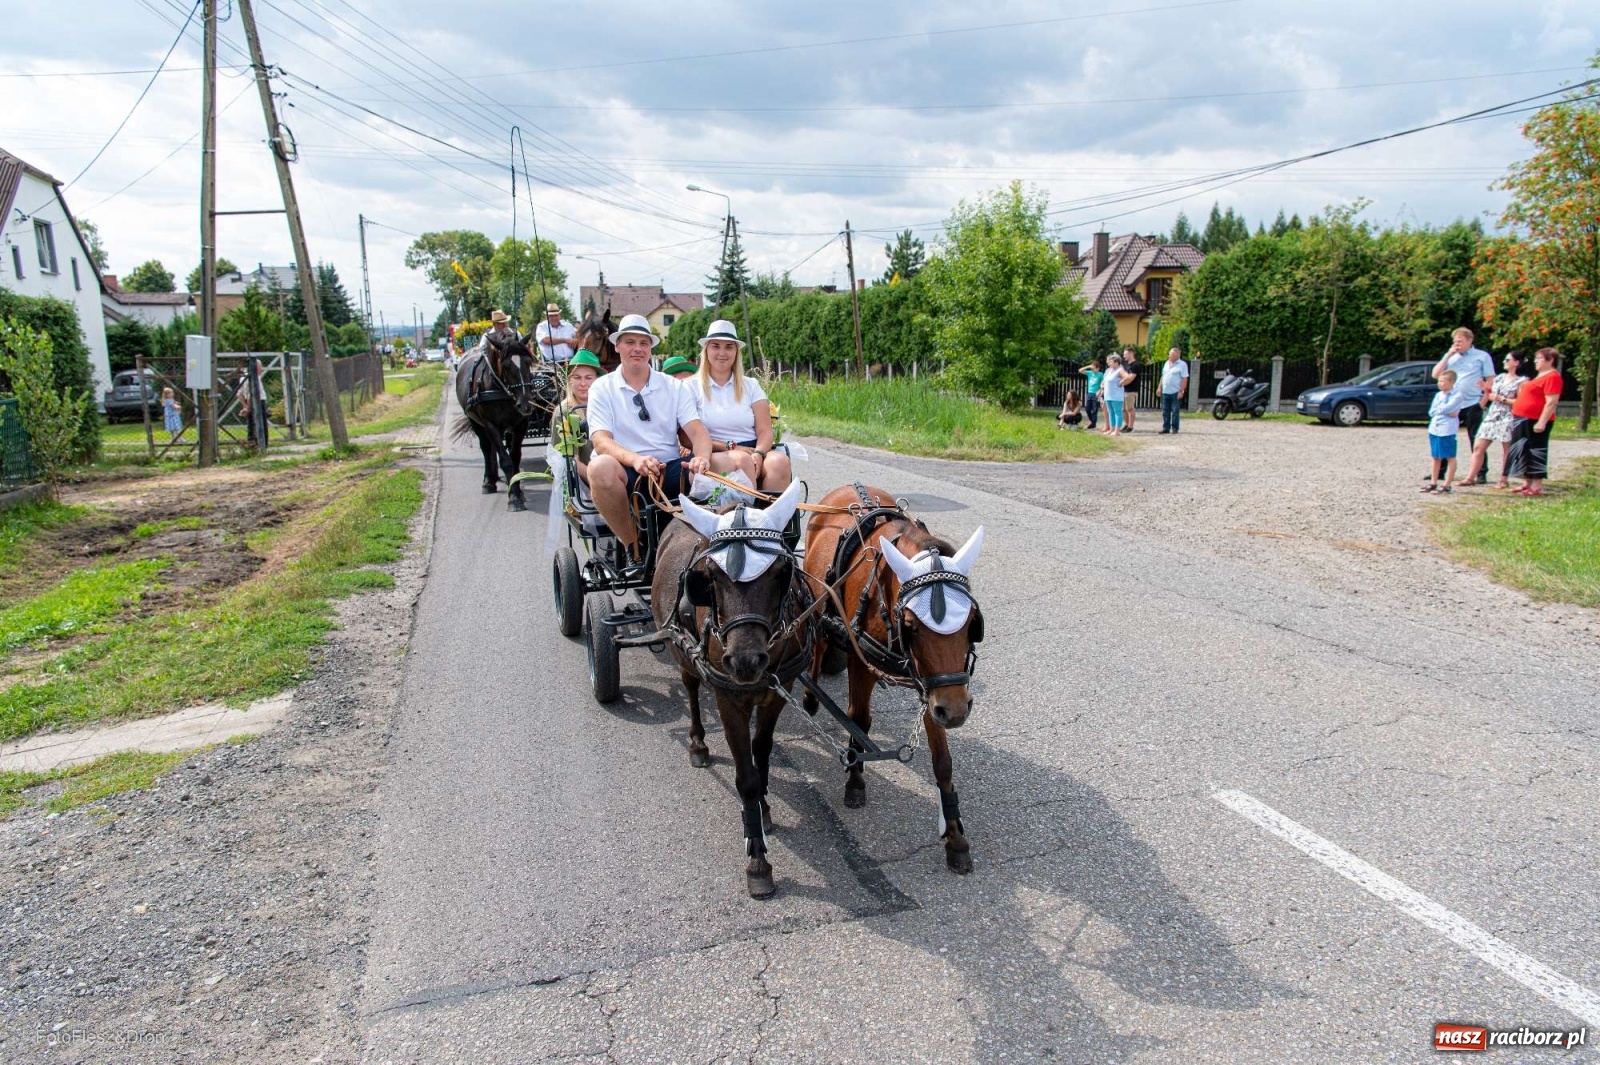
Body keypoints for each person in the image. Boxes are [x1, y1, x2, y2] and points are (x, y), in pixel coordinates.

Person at [586, 314, 710, 567]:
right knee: (599, 467)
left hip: (669, 469)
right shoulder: (601, 387)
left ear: (650, 347)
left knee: (718, 467)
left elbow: (698, 432)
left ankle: (709, 546)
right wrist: (636, 460)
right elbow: (601, 441)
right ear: (617, 346)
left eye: (643, 343)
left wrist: (702, 458)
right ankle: (634, 548)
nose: (637, 349)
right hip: (627, 472)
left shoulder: (675, 387)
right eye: (630, 342)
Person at [690, 319, 792, 494]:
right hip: (713, 450)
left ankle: (772, 518)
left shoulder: (750, 385)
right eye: (716, 346)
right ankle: (745, 518)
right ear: (706, 350)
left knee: (779, 462)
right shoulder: (690, 387)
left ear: (736, 352)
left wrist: (758, 455)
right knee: (739, 460)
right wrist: (730, 446)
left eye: (729, 347)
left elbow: (765, 430)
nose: (722, 352)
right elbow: (687, 437)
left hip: (752, 449)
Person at [1430, 327, 1495, 484]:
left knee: (1476, 438)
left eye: (1460, 341)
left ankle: (1480, 473)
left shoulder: (1482, 356)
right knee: (1444, 435)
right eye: (1455, 341)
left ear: (1469, 340)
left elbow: (1491, 379)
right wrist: (1448, 355)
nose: (1457, 344)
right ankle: (1440, 471)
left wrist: (1483, 401)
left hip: (1472, 402)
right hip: (1452, 402)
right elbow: (1436, 374)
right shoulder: (1452, 358)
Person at [1456, 350, 1527, 489]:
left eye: (1508, 360)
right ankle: (1470, 477)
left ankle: (1503, 479)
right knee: (1478, 446)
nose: (1504, 362)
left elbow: (1520, 401)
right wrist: (1486, 390)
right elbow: (1491, 394)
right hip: (1493, 414)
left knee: (1506, 449)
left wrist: (1501, 399)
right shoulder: (1500, 377)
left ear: (1517, 363)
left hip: (1508, 415)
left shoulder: (1522, 381)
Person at [1506, 347, 1565, 497]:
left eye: (1539, 359)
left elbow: (1551, 401)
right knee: (1523, 450)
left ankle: (1537, 485)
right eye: (1536, 358)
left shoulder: (1552, 377)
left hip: (1535, 419)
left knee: (1535, 450)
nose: (1536, 361)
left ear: (1550, 360)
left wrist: (1542, 421)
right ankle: (1527, 481)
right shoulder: (1539, 375)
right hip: (1522, 418)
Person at [553, 348, 602, 484]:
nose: (583, 383)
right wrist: (599, 482)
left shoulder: (607, 406)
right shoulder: (564, 412)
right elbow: (570, 461)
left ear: (597, 380)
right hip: (584, 483)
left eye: (588, 378)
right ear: (570, 380)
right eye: (577, 377)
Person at [1423, 370, 1475, 493]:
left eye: (1442, 381)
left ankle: (1447, 484)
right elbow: (1432, 411)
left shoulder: (1457, 395)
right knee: (1436, 456)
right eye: (1439, 381)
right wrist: (1442, 411)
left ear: (1451, 382)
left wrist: (1442, 410)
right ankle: (1433, 482)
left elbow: (1449, 407)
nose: (1440, 384)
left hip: (1447, 429)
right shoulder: (1438, 395)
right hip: (1435, 427)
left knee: (1450, 456)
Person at [1158, 347, 1189, 434]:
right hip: (1165, 391)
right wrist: (1159, 387)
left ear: (1177, 355)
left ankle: (1175, 428)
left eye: (1171, 355)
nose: (1169, 356)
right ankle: (1166, 427)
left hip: (1175, 391)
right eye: (1169, 354)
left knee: (1175, 410)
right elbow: (1163, 376)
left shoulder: (1182, 365)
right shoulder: (1166, 363)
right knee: (1165, 411)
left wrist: (1181, 390)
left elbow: (1184, 378)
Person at [1099, 354, 1130, 435]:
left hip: (1116, 396)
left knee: (1117, 413)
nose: (1110, 363)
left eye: (1111, 362)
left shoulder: (1120, 370)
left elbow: (1128, 377)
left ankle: (1117, 431)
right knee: (1111, 412)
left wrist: (1122, 382)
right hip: (1108, 395)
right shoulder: (1110, 371)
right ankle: (1111, 429)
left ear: (1117, 362)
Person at [1079, 357, 1105, 431]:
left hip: (1096, 394)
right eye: (1092, 368)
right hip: (1090, 393)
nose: (1092, 370)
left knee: (1094, 410)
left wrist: (1100, 391)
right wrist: (1088, 366)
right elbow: (1080, 370)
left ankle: (1093, 424)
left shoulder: (1101, 374)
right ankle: (1092, 422)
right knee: (1087, 409)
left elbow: (1104, 383)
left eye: (1094, 368)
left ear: (1098, 368)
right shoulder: (1090, 373)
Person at [1120, 347, 1140, 432]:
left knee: (1130, 408)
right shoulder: (1126, 365)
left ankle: (1131, 426)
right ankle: (1126, 424)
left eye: (1125, 354)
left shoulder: (1136, 365)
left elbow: (1131, 378)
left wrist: (1121, 383)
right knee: (1124, 409)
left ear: (1131, 354)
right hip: (1124, 390)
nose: (1124, 356)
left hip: (1131, 390)